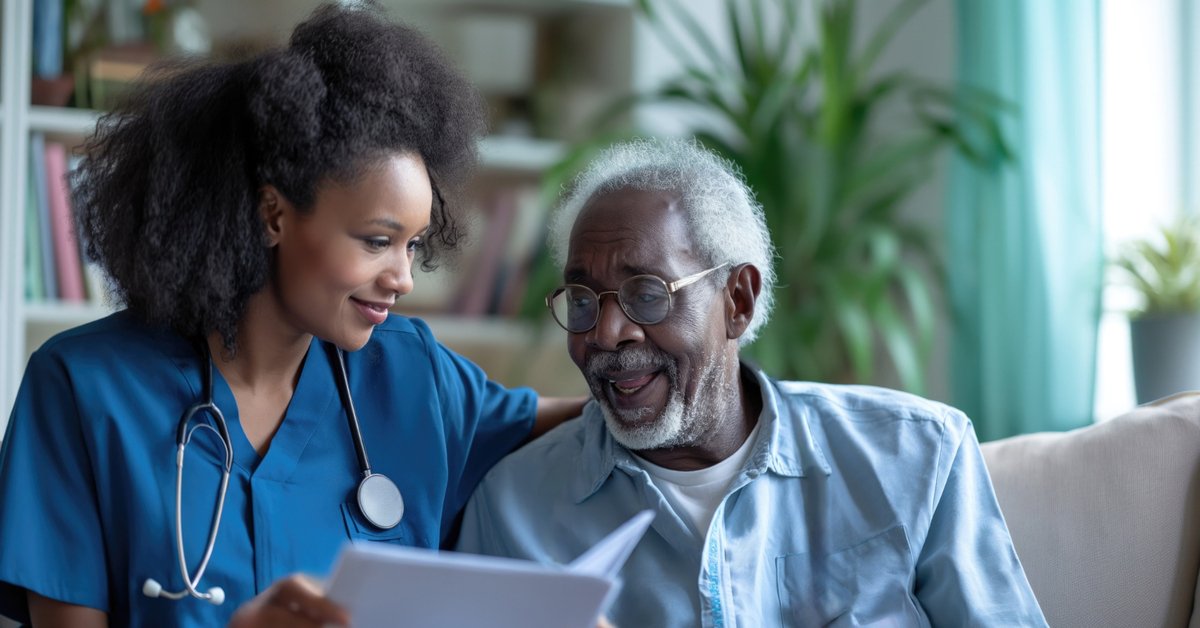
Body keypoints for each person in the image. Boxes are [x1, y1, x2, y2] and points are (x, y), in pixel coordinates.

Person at [0, 4, 583, 626]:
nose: (404, 278)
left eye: (412, 244)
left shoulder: (412, 373)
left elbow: (601, 418)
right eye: (375, 240)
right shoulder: (84, 388)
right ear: (273, 215)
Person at [455, 138, 1049, 626]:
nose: (607, 333)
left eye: (647, 295)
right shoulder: (512, 511)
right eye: (584, 300)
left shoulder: (920, 456)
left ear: (737, 300)